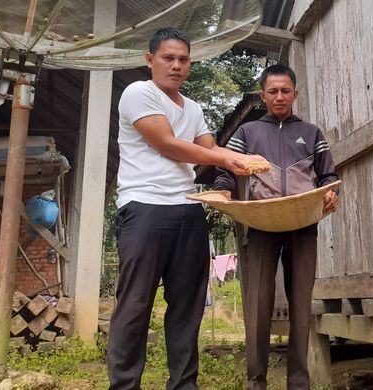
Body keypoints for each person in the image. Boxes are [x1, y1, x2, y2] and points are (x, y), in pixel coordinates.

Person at [107, 27, 268, 390]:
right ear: (150, 61)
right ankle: (124, 385)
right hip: (144, 208)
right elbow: (169, 145)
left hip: (188, 208)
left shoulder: (193, 108)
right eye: (168, 58)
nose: (176, 65)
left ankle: (184, 385)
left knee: (188, 307)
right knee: (134, 306)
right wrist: (231, 159)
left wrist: (230, 159)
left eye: (183, 59)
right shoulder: (139, 93)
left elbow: (206, 153)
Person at [213, 64, 339, 389]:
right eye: (273, 91)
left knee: (300, 304)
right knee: (258, 302)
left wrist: (331, 193)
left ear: (295, 94)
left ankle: (299, 382)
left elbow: (328, 177)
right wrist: (224, 189)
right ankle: (256, 382)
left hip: (302, 223)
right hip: (262, 223)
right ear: (262, 95)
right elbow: (228, 168)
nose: (280, 96)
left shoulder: (312, 134)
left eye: (286, 91)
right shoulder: (248, 133)